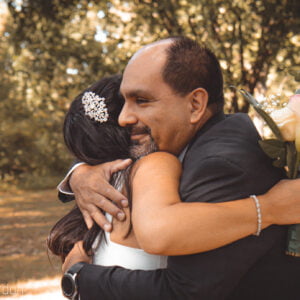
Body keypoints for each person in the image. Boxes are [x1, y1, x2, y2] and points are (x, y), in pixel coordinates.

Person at [60, 37, 300, 300]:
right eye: (123, 102)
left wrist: (78, 277)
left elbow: (182, 292)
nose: (123, 118)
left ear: (195, 105)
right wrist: (80, 173)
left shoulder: (221, 163)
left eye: (141, 100)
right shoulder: (188, 144)